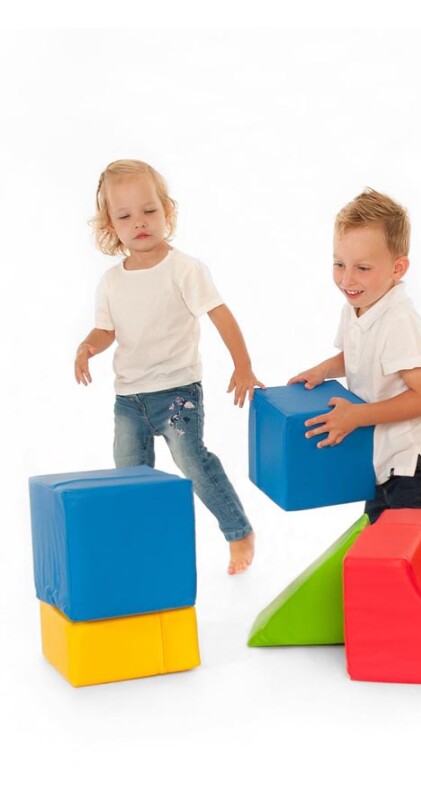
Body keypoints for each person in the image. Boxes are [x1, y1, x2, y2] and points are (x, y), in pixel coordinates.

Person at [74, 159, 263, 575]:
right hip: (129, 400)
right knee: (130, 477)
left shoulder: (183, 269)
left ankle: (237, 531)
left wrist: (243, 366)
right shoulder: (111, 281)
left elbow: (219, 314)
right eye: (125, 216)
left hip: (177, 393)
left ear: (167, 211)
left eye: (149, 210)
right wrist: (88, 346)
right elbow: (106, 330)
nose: (140, 222)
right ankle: (142, 551)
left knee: (192, 461)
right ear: (111, 225)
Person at [289, 188, 421, 523]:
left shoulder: (399, 321)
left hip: (416, 461)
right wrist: (324, 369)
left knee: (402, 540)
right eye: (339, 264)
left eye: (362, 268)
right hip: (384, 458)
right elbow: (356, 355)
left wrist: (357, 416)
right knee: (380, 534)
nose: (347, 279)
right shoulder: (357, 306)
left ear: (398, 268)